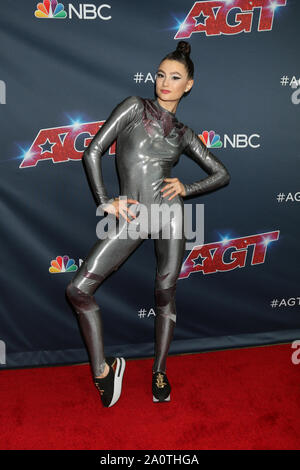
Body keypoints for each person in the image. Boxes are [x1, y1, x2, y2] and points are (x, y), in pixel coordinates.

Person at [66, 40, 230, 408]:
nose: (164, 82)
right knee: (78, 290)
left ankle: (159, 370)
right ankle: (103, 371)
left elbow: (222, 173)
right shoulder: (133, 108)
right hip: (134, 216)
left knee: (165, 294)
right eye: (160, 75)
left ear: (188, 85)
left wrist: (188, 187)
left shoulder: (184, 133)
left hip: (170, 215)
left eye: (174, 77)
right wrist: (105, 201)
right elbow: (92, 151)